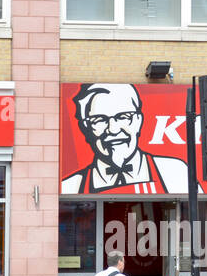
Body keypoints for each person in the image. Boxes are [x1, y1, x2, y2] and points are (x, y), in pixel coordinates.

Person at [61, 83, 194, 195]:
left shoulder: (173, 171)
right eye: (100, 120)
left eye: (123, 117)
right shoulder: (71, 186)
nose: (113, 129)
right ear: (86, 127)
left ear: (138, 120)